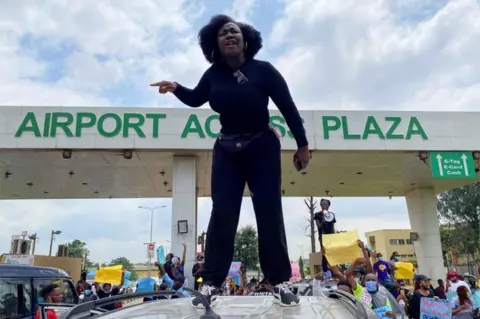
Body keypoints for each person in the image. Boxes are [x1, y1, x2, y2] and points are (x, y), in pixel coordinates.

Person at [151, 14, 309, 308]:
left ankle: (280, 281)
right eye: (223, 33)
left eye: (234, 31)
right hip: (226, 149)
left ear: (246, 40)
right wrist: (175, 87)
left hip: (262, 145)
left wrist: (302, 144)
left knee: (269, 211)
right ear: (216, 43)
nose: (230, 35)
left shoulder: (265, 71)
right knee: (222, 214)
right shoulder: (213, 75)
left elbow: (288, 106)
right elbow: (197, 98)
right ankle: (211, 283)